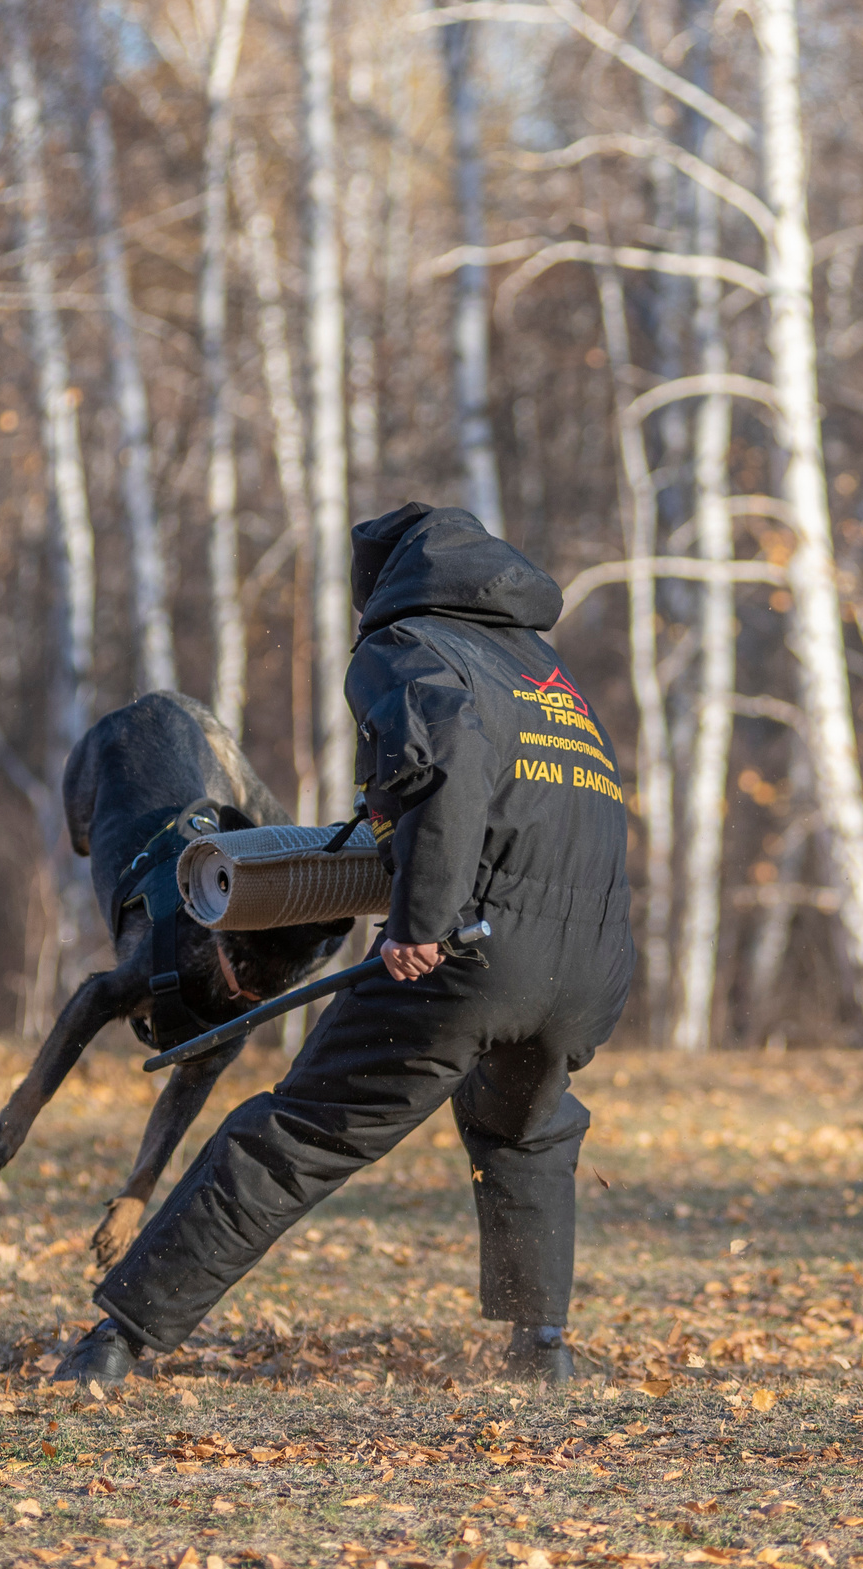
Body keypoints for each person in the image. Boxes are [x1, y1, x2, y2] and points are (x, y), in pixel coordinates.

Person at [54, 502, 634, 1387]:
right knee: (524, 1125)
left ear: (390, 585)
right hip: (592, 966)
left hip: (472, 952)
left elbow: (447, 773)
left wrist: (418, 922)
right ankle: (541, 1346)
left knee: (296, 1132)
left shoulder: (408, 649)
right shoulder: (543, 672)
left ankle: (116, 1340)